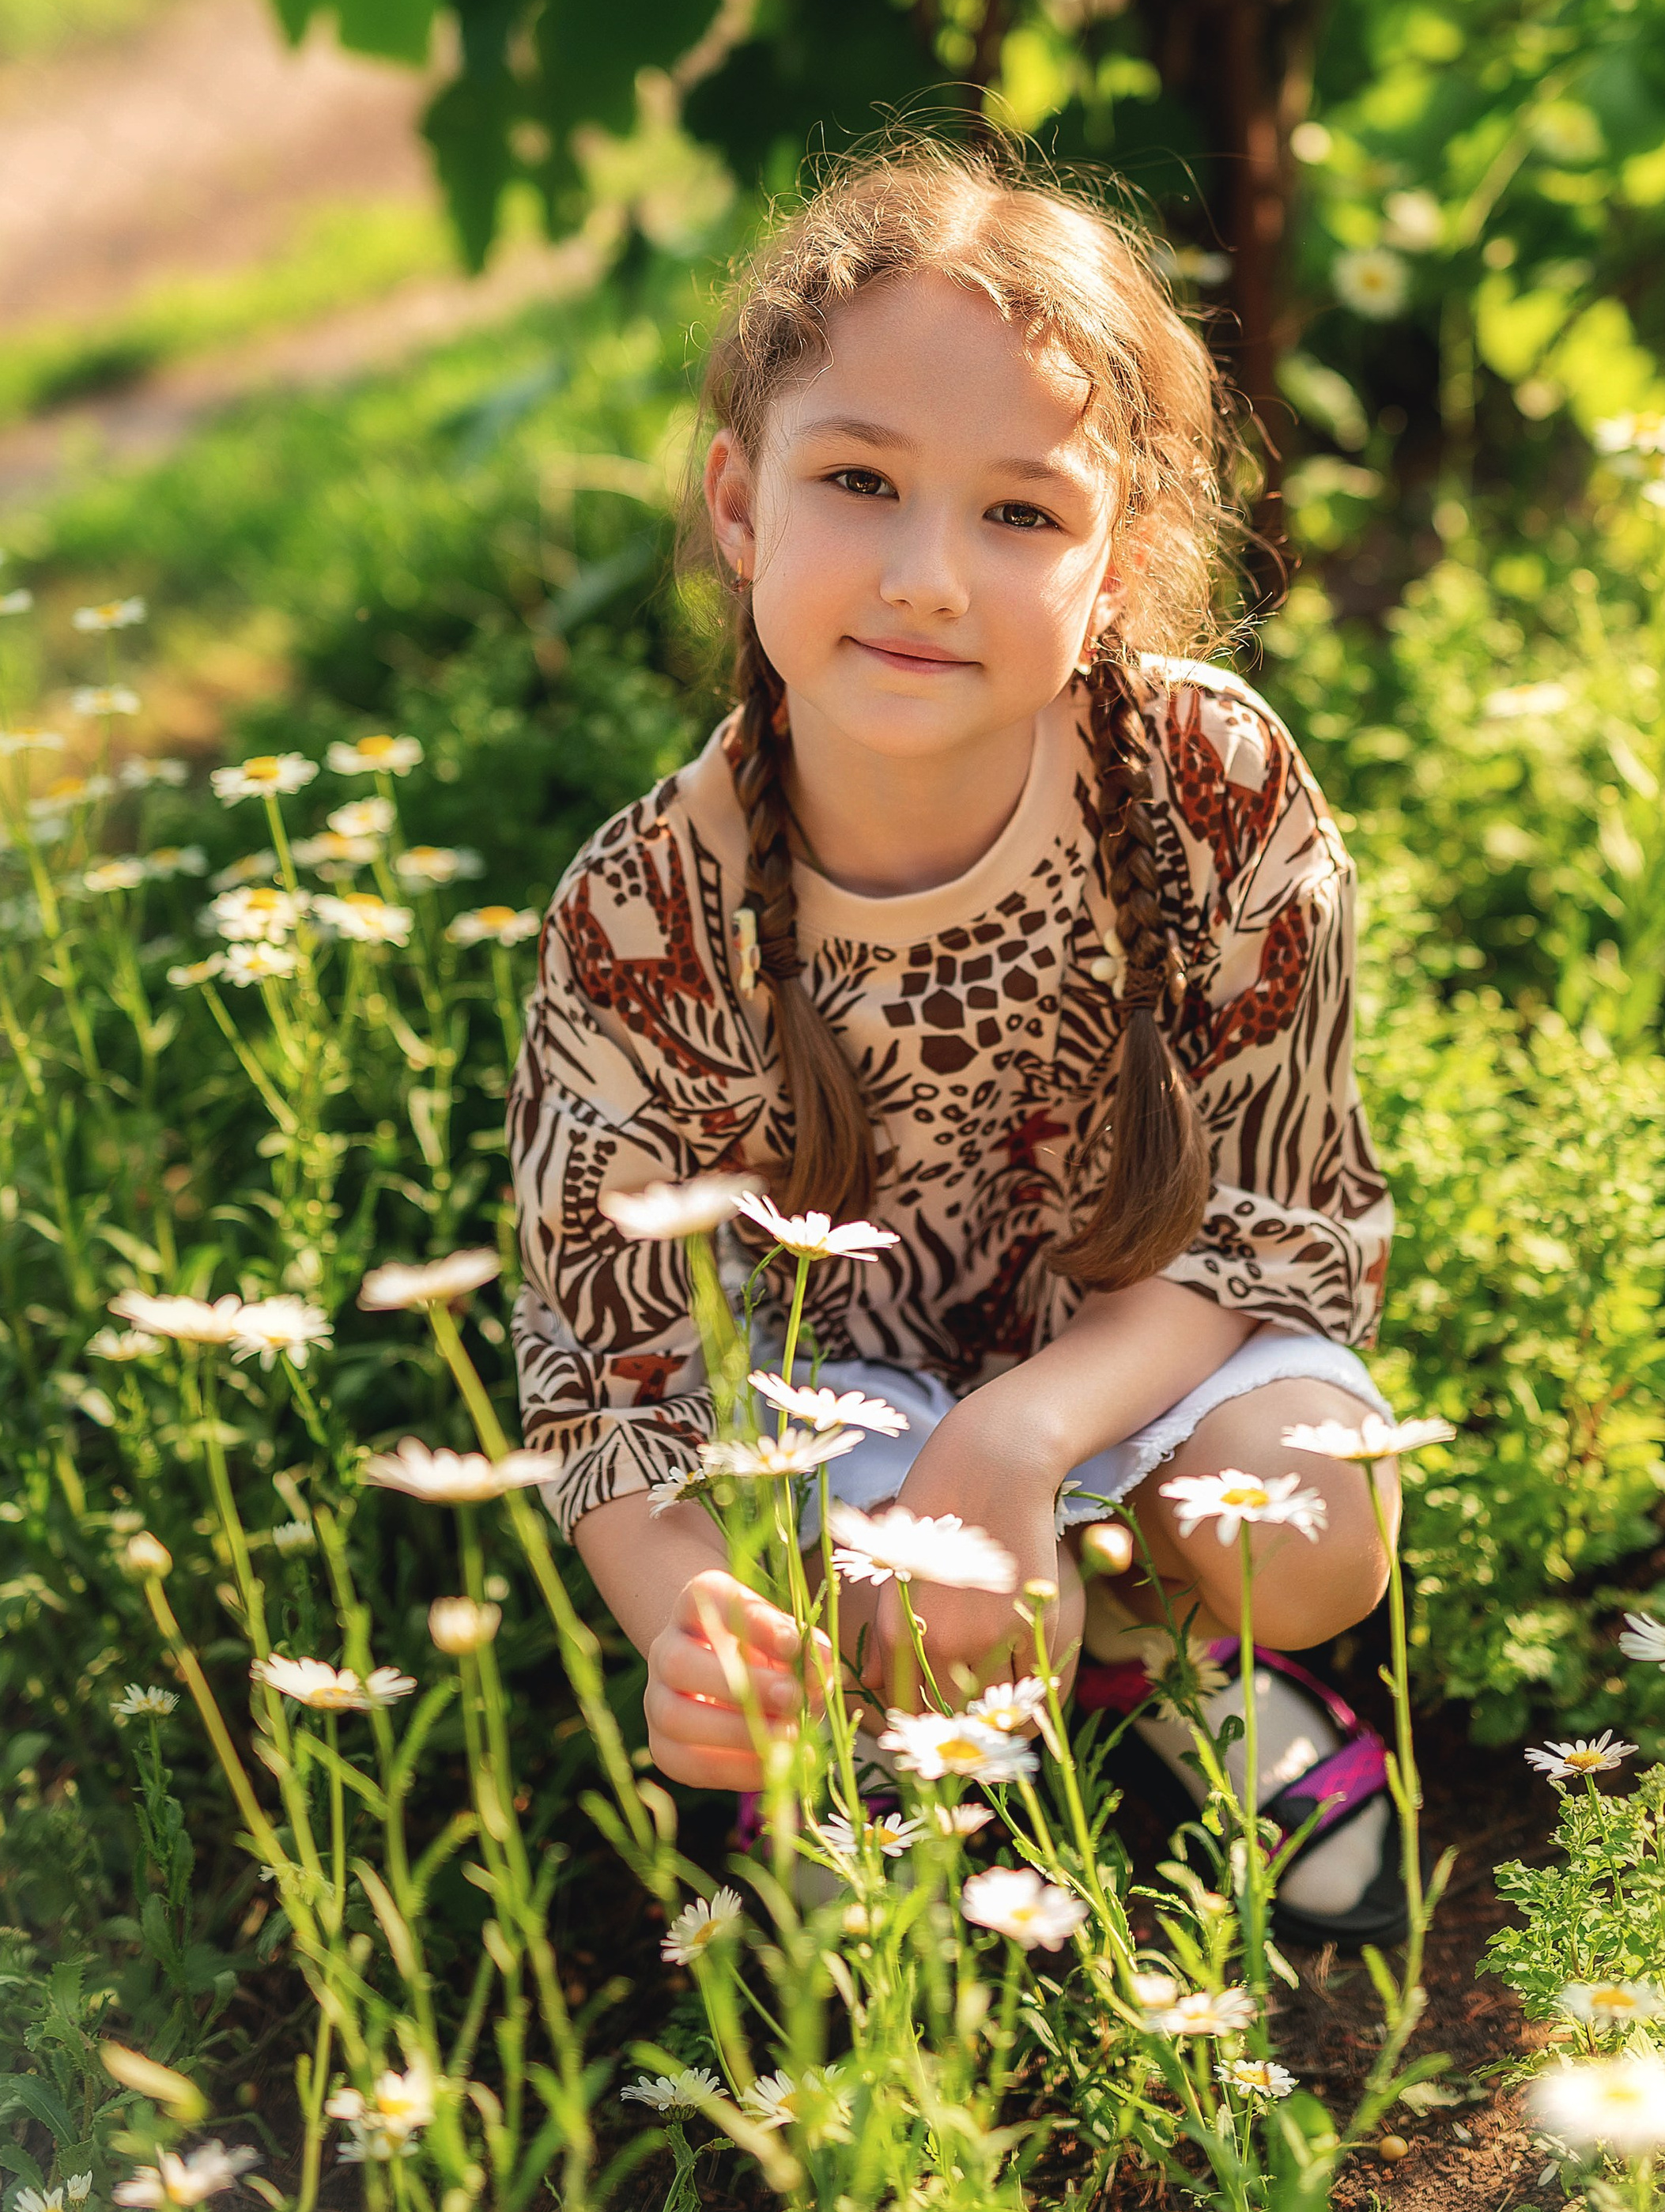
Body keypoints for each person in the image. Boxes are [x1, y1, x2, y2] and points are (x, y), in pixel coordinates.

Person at [508, 142, 1403, 1937]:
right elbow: (603, 1384)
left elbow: (1281, 1220)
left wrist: (1016, 1437)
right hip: (826, 1411)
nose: (924, 574)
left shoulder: (1207, 788)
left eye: (1017, 513)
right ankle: (907, 1764)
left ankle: (1166, 1668)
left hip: (1138, 1353)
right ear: (739, 503)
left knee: (1307, 1519)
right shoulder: (641, 917)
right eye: (857, 481)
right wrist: (695, 1620)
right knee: (928, 1615)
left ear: (1117, 560)